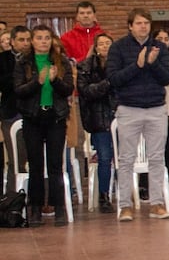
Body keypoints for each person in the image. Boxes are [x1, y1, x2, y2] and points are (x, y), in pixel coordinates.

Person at [106, 9, 169, 221]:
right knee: (126, 159)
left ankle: (156, 203)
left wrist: (153, 64)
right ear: (130, 26)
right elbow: (114, 79)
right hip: (129, 108)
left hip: (156, 108)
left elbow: (167, 78)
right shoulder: (118, 47)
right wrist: (137, 65)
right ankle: (125, 206)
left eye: (146, 23)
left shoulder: (160, 47)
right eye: (138, 23)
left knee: (157, 158)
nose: (143, 26)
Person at [13, 25, 74, 226]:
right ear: (32, 41)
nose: (43, 42)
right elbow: (19, 91)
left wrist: (54, 81)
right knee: (36, 165)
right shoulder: (23, 62)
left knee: (56, 165)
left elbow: (68, 89)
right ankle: (35, 208)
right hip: (33, 119)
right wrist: (37, 82)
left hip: (55, 118)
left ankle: (59, 208)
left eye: (47, 38)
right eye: (39, 38)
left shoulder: (61, 61)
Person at [135, 27, 169, 202]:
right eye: (160, 38)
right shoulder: (145, 55)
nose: (163, 42)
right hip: (149, 107)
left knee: (167, 147)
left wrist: (166, 72)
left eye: (166, 39)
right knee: (148, 147)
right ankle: (145, 185)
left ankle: (166, 183)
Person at [77, 33, 116, 213]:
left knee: (124, 157)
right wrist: (108, 83)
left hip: (120, 116)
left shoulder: (120, 64)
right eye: (101, 44)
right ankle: (104, 195)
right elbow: (86, 91)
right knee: (104, 157)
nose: (105, 46)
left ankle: (125, 193)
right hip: (98, 118)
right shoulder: (85, 67)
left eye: (108, 43)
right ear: (95, 47)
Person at [1, 26, 32, 197]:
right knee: (16, 160)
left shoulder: (35, 58)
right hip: (11, 113)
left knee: (36, 158)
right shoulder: (3, 59)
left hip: (33, 113)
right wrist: (17, 71)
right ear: (12, 41)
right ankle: (14, 199)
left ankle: (37, 198)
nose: (25, 43)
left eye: (28, 40)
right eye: (21, 40)